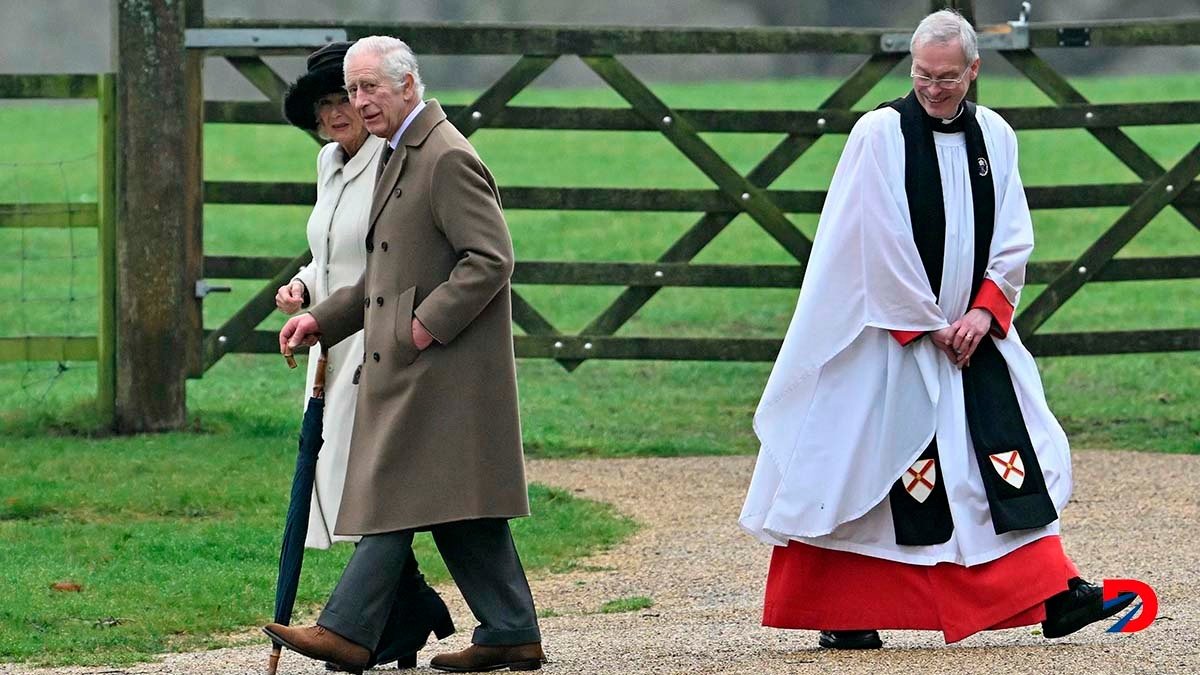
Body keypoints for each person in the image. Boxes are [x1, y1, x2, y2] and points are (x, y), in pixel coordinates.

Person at [739, 10, 1135, 649]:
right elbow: (873, 236)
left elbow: (1012, 234)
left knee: (1001, 469)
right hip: (889, 338)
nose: (933, 88)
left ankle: (1053, 595)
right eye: (923, 75)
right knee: (863, 472)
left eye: (947, 77)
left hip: (973, 339)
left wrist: (982, 313)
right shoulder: (880, 134)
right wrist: (926, 324)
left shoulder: (997, 135)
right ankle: (846, 613)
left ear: (973, 71)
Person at [267, 36, 545, 673]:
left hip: (442, 363)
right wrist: (322, 318)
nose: (360, 103)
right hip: (411, 360)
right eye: (354, 89)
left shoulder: (443, 156)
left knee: (395, 487)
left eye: (369, 88)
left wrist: (424, 326)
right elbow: (380, 276)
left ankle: (347, 630)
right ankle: (511, 631)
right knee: (453, 502)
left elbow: (492, 259)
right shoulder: (398, 154)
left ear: (409, 86)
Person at [275, 40, 454, 671]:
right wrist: (303, 285)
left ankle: (368, 620)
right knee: (354, 477)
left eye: (346, 96)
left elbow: (394, 255)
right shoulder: (329, 162)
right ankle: (412, 608)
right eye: (324, 103)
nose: (336, 112)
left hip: (380, 337)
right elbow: (331, 250)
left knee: (369, 478)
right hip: (329, 333)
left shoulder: (394, 157)